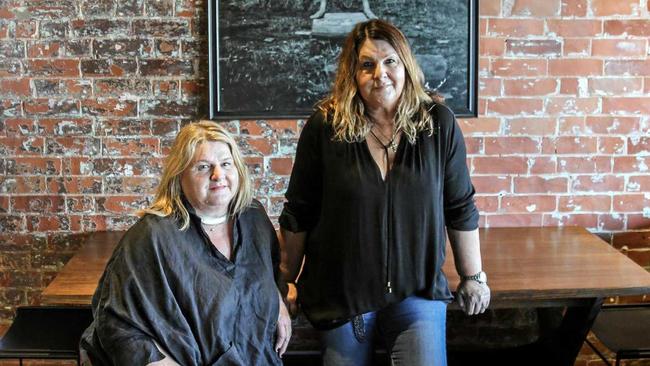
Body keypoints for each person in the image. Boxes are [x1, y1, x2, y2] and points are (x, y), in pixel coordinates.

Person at [278, 19, 490, 366]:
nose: (381, 73)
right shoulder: (325, 127)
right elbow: (300, 210)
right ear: (353, 74)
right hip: (343, 292)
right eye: (367, 64)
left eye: (390, 61)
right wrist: (285, 281)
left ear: (405, 64)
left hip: (416, 291)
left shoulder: (438, 125)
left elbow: (460, 206)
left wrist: (473, 277)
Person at [80, 121, 291, 365]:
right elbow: (115, 323)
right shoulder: (153, 235)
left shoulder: (253, 217)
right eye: (203, 167)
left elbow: (265, 272)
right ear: (179, 175)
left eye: (225, 164)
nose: (218, 175)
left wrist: (277, 302)